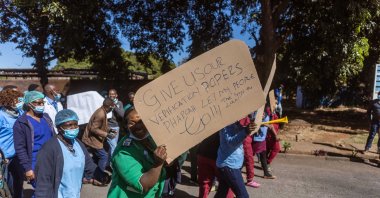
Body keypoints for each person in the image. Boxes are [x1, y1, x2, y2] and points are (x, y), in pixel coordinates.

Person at [35, 109, 110, 198]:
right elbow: (43, 180)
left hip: (75, 194)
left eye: (75, 124)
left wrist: (100, 174)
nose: (73, 128)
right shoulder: (49, 148)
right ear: (59, 128)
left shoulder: (78, 144)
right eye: (69, 125)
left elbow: (88, 165)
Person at [107, 109, 167, 198]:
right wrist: (159, 164)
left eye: (142, 121)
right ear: (126, 126)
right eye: (132, 123)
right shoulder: (122, 153)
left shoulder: (151, 139)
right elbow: (143, 185)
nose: (138, 126)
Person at [13, 91, 55, 196]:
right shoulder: (21, 123)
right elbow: (20, 148)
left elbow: (53, 137)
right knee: (41, 190)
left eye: (42, 103)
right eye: (38, 103)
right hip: (35, 162)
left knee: (52, 189)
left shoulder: (46, 117)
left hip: (52, 159)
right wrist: (28, 168)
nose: (41, 105)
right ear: (29, 104)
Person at [214, 121, 256, 198]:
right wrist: (246, 131)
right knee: (243, 196)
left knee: (222, 193)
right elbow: (231, 142)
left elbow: (240, 132)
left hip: (230, 165)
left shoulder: (235, 123)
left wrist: (250, 126)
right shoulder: (226, 125)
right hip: (229, 166)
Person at [81, 98, 116, 178]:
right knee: (104, 156)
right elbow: (93, 129)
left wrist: (110, 130)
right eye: (112, 107)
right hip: (92, 140)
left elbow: (102, 126)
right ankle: (99, 176)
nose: (112, 109)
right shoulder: (101, 114)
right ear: (109, 107)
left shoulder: (102, 110)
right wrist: (107, 134)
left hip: (93, 139)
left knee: (96, 157)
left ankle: (88, 174)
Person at [0, 89, 24, 198]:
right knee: (5, 185)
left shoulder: (21, 113)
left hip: (17, 156)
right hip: (3, 157)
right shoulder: (1, 115)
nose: (20, 102)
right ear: (8, 100)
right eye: (17, 100)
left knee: (18, 184)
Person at [197, 133, 234, 198]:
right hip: (221, 157)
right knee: (226, 185)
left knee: (205, 182)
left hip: (204, 152)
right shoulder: (231, 125)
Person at [252, 107, 276, 179]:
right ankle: (239, 171)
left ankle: (266, 173)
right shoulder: (260, 111)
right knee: (249, 156)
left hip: (261, 138)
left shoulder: (263, 110)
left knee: (262, 156)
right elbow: (257, 122)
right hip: (258, 138)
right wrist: (267, 125)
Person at [240, 114, 260, 188]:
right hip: (245, 141)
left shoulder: (246, 116)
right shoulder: (243, 117)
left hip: (246, 140)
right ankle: (250, 180)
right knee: (249, 159)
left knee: (244, 159)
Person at [107, 89, 125, 156]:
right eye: (110, 94)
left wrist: (114, 107)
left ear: (116, 95)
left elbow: (122, 114)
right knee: (113, 146)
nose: (111, 95)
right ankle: (113, 164)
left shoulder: (119, 103)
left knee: (112, 146)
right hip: (109, 127)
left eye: (113, 94)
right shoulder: (105, 103)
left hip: (116, 127)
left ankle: (108, 164)